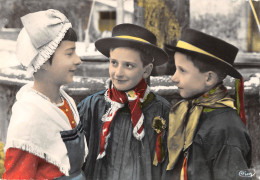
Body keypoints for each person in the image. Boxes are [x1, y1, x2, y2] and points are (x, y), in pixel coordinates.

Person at [77, 23, 171, 180]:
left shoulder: (162, 111)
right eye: (114, 63)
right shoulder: (92, 107)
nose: (118, 73)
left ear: (146, 70)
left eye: (128, 65)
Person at [3, 9, 88, 179]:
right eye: (69, 53)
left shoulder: (67, 101)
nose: (78, 60)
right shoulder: (29, 118)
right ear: (43, 61)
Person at [163, 29, 252, 180]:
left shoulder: (226, 130)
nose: (174, 78)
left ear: (209, 78)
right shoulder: (185, 112)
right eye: (175, 69)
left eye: (182, 71)